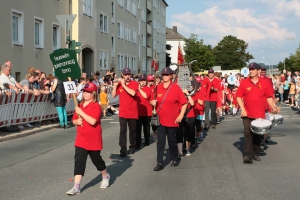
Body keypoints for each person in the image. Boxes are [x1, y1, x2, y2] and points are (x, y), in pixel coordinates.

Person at [66, 82, 110, 195]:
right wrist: (77, 121)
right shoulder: (79, 105)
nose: (85, 94)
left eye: (88, 92)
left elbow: (93, 121)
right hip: (81, 139)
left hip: (93, 138)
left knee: (97, 161)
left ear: (93, 94)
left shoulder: (96, 106)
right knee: (79, 161)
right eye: (84, 92)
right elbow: (74, 120)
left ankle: (105, 176)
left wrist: (82, 113)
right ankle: (76, 186)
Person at [236, 62, 280, 164]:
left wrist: (273, 106)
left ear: (258, 71)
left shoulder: (265, 83)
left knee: (257, 135)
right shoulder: (244, 82)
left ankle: (255, 153)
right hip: (247, 113)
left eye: (253, 69)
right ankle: (247, 155)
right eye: (250, 69)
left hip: (260, 113)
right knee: (248, 133)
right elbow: (238, 96)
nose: (251, 71)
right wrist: (242, 109)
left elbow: (269, 97)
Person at [150, 67, 187, 171]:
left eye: (167, 74)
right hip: (161, 119)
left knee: (171, 140)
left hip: (172, 120)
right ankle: (159, 162)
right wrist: (152, 103)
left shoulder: (175, 87)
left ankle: (175, 157)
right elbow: (152, 100)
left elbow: (184, 103)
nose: (165, 76)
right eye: (163, 74)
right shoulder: (157, 87)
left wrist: (181, 115)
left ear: (171, 75)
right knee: (160, 141)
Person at [111, 68, 139, 157]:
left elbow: (133, 93)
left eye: (129, 74)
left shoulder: (134, 83)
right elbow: (113, 95)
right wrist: (115, 85)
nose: (127, 76)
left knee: (132, 131)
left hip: (132, 112)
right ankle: (123, 149)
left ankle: (132, 146)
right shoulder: (119, 85)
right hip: (123, 112)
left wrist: (124, 85)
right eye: (125, 74)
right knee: (123, 131)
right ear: (122, 75)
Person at [136, 74, 152, 149]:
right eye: (141, 81)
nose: (143, 82)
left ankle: (147, 141)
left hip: (147, 112)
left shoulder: (148, 89)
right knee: (138, 129)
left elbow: (146, 96)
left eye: (144, 81)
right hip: (138, 112)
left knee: (146, 127)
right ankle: (138, 143)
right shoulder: (136, 89)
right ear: (139, 82)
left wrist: (139, 90)